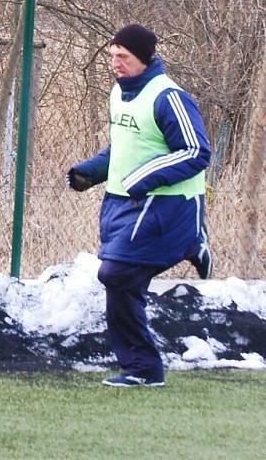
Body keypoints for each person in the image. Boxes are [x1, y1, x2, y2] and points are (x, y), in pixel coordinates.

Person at [67, 23, 212, 388]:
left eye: (124, 57)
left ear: (144, 59)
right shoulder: (119, 93)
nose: (116, 62)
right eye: (112, 55)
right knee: (121, 279)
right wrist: (91, 172)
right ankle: (143, 368)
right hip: (122, 201)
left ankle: (144, 368)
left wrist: (142, 177)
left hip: (163, 202)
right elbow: (127, 147)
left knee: (116, 274)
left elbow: (196, 151)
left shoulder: (170, 97)